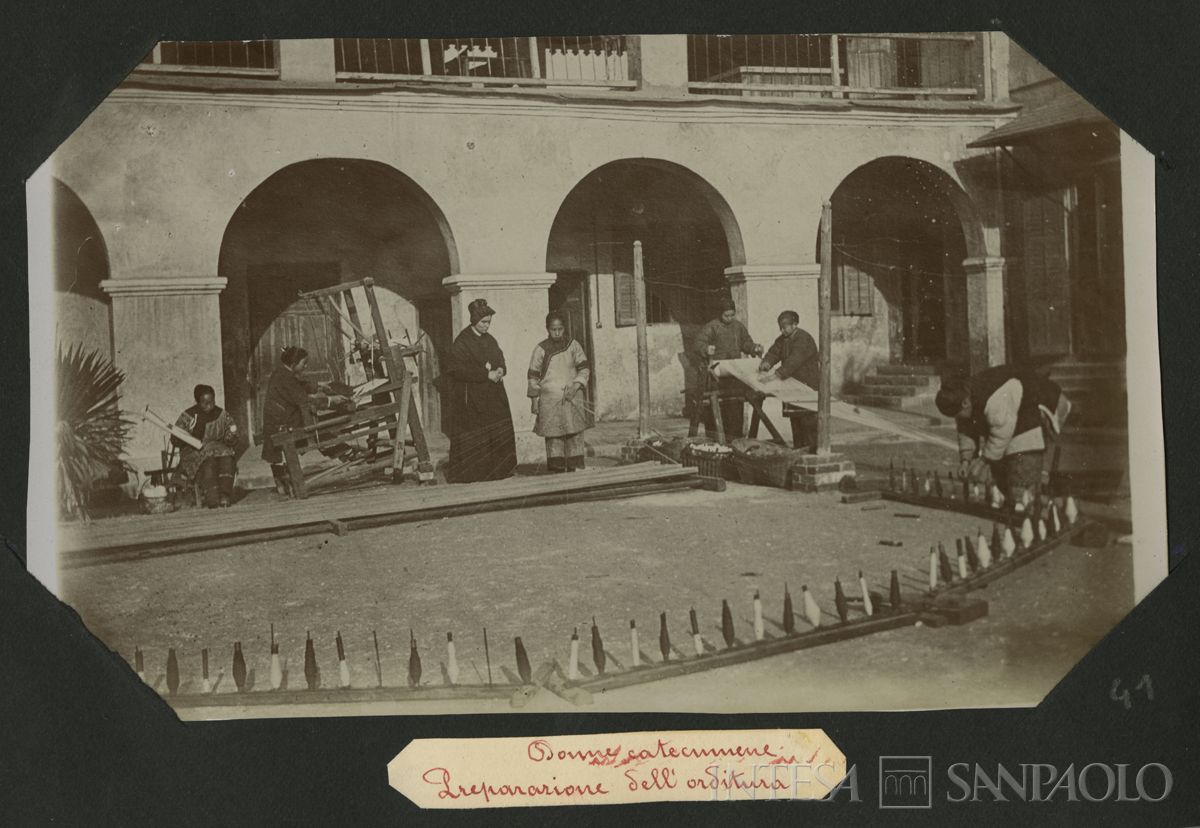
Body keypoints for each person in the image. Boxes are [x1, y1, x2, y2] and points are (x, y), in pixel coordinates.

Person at [935, 366, 1072, 505]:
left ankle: (1033, 508)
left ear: (965, 403)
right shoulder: (963, 398)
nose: (960, 419)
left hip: (1032, 413)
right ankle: (1018, 503)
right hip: (1010, 420)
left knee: (1022, 475)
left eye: (958, 414)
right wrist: (966, 461)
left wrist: (982, 462)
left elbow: (1001, 434)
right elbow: (965, 428)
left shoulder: (995, 397)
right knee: (1001, 472)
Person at [443, 299, 517, 483]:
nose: (486, 326)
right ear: (474, 320)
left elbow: (500, 359)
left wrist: (501, 369)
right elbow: (456, 369)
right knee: (475, 434)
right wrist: (485, 375)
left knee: (498, 428)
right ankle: (475, 473)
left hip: (493, 395)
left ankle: (499, 471)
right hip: (472, 397)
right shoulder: (462, 341)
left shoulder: (490, 339)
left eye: (489, 322)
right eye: (483, 322)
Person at [260, 346, 344, 496]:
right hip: (282, 424)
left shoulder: (282, 373)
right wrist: (331, 400)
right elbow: (303, 400)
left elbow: (301, 385)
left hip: (277, 421)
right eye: (304, 363)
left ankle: (282, 482)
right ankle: (343, 450)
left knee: (316, 427)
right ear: (293, 363)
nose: (306, 366)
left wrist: (319, 386)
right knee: (319, 430)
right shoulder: (285, 377)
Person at [528, 311, 592, 472]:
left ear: (564, 328)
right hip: (550, 400)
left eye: (560, 329)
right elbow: (533, 376)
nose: (557, 333)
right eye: (553, 329)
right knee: (554, 435)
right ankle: (556, 471)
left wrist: (576, 385)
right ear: (547, 329)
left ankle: (575, 467)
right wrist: (534, 401)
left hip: (572, 397)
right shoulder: (540, 349)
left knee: (574, 433)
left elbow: (584, 368)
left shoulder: (573, 345)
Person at [694, 298, 763, 440]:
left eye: (732, 315)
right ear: (720, 314)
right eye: (726, 315)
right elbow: (698, 342)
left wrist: (753, 348)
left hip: (733, 374)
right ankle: (716, 440)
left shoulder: (738, 327)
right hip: (717, 375)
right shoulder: (712, 327)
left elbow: (746, 342)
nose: (730, 318)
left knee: (734, 406)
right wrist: (706, 349)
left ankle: (735, 439)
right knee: (716, 408)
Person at [758, 310, 820, 452]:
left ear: (795, 324)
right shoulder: (783, 339)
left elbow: (794, 360)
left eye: (785, 327)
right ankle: (798, 453)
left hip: (806, 385)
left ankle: (812, 453)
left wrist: (777, 374)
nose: (782, 330)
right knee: (796, 421)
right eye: (780, 327)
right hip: (792, 387)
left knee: (808, 422)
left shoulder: (803, 339)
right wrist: (767, 362)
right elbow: (774, 352)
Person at [172, 384, 238, 508]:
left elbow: (232, 435)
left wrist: (231, 437)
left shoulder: (222, 415)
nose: (209, 406)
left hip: (218, 449)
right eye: (205, 403)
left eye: (212, 402)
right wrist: (187, 434)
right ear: (198, 402)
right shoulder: (189, 416)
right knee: (209, 462)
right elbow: (175, 440)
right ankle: (212, 498)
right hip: (195, 452)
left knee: (228, 458)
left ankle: (225, 495)